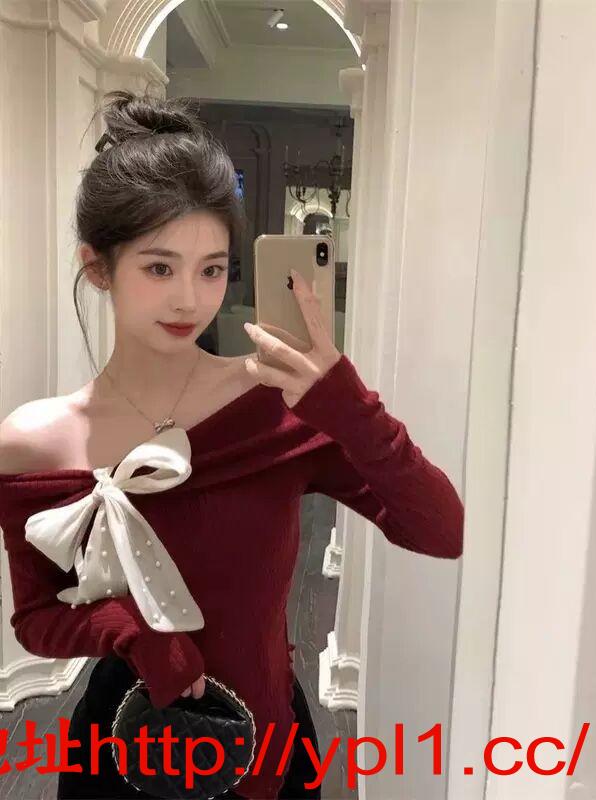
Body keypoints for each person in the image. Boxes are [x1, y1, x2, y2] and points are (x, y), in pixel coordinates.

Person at [0, 90, 465, 800]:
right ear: (98, 267)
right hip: (123, 742)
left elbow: (440, 529)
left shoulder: (273, 406)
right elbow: (37, 618)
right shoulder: (38, 439)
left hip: (266, 741)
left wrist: (350, 405)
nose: (190, 299)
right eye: (159, 268)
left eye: (211, 268)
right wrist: (132, 632)